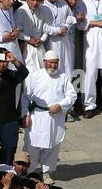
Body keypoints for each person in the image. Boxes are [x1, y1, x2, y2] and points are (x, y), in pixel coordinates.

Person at [24, 50, 77, 181]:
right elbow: (25, 96)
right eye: (51, 63)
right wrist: (26, 114)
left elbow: (72, 95)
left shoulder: (63, 77)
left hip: (55, 117)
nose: (53, 66)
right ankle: (30, 172)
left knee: (52, 145)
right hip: (37, 116)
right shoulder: (35, 76)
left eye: (56, 63)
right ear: (45, 62)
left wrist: (60, 105)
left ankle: (46, 172)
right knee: (33, 144)